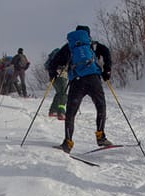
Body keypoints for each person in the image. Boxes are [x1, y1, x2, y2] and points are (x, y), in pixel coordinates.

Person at [47, 25, 113, 153]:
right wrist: (107, 70)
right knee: (101, 107)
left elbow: (54, 62)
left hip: (77, 82)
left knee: (71, 113)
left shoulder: (69, 47)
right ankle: (101, 137)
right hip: (94, 80)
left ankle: (67, 143)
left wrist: (53, 74)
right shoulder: (92, 45)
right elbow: (106, 52)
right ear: (88, 35)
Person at [45, 47, 68, 120]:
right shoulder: (63, 54)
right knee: (63, 93)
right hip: (60, 74)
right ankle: (61, 112)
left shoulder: (57, 54)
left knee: (59, 93)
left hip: (53, 76)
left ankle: (53, 111)